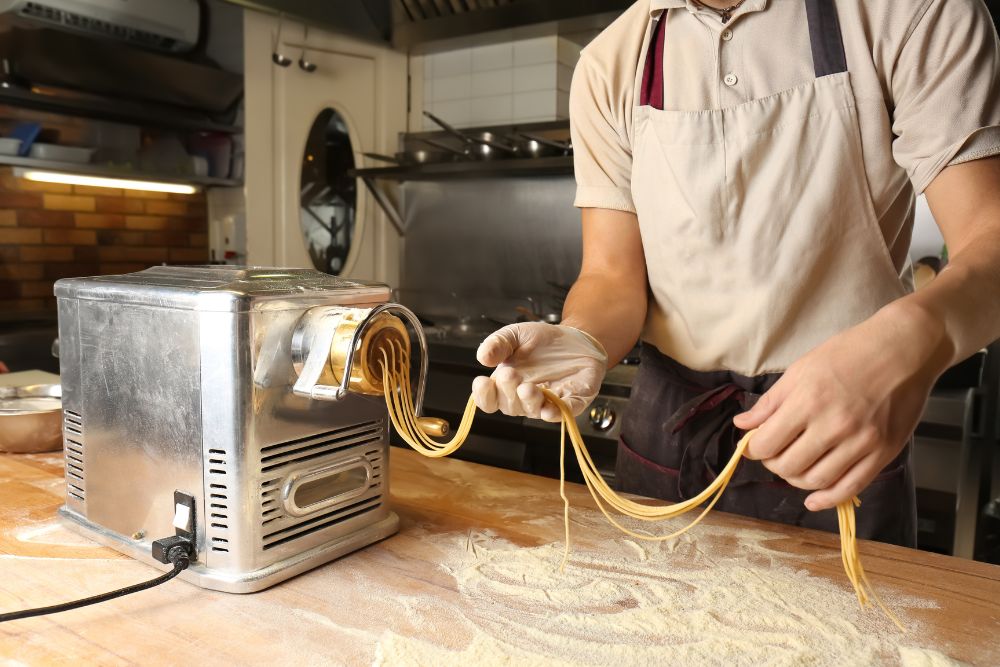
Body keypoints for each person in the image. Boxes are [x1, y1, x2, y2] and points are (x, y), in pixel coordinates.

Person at [471, 0, 1000, 547]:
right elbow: (610, 274)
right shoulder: (611, 63)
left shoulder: (909, 13)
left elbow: (990, 242)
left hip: (837, 425)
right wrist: (582, 337)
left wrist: (912, 340)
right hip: (669, 427)